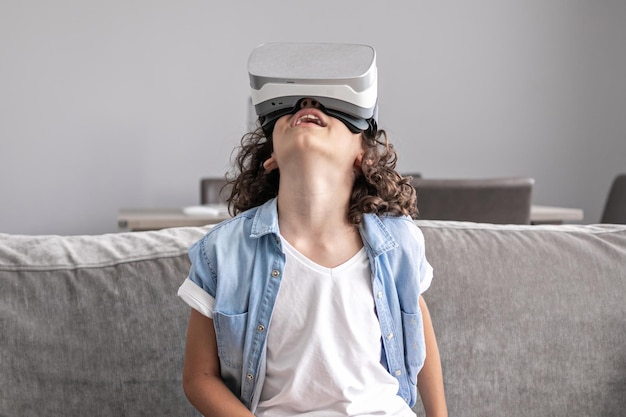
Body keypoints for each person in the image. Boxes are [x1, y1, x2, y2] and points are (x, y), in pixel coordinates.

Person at [178, 81, 447, 417]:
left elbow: (418, 335)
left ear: (361, 157)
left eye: (335, 109)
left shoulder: (399, 243)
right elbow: (199, 377)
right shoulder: (222, 252)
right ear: (271, 157)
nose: (308, 102)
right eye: (290, 108)